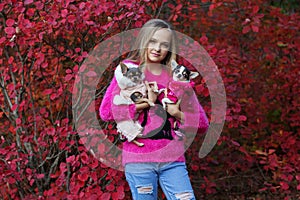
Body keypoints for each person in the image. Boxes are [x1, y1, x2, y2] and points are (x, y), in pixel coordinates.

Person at [99, 19, 209, 200]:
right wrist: (141, 105)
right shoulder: (129, 71)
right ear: (144, 41)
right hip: (139, 160)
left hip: (173, 160)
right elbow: (106, 112)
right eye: (153, 41)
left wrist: (177, 113)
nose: (157, 48)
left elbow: (202, 123)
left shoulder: (176, 77)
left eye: (164, 44)